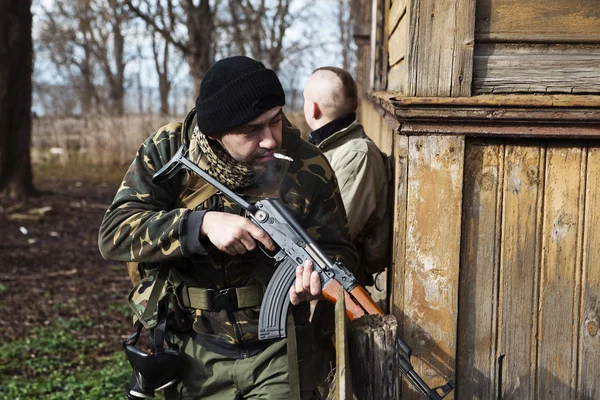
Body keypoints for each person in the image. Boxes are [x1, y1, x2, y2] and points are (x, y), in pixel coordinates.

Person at [98, 56, 358, 400]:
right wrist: (200, 224)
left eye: (276, 121)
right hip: (191, 349)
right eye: (252, 130)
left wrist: (312, 283)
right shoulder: (167, 152)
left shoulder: (307, 166)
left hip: (279, 350)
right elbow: (114, 233)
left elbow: (340, 252)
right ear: (215, 133)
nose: (270, 140)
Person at [303, 66, 388, 286]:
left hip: (340, 283)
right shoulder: (328, 150)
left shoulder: (356, 154)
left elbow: (332, 234)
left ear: (313, 109)